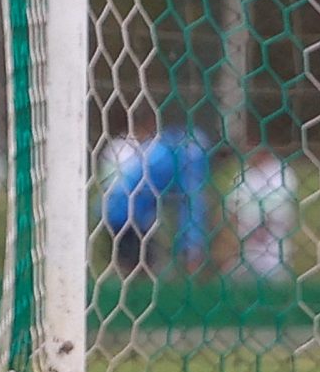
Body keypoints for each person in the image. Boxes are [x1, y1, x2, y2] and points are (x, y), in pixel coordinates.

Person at [101, 113, 209, 275]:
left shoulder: (166, 146)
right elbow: (192, 204)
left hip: (118, 208)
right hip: (127, 213)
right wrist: (192, 249)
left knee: (139, 264)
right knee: (139, 267)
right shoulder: (191, 155)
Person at [225, 148, 298, 281]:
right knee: (231, 281)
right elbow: (232, 209)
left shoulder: (281, 172)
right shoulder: (244, 173)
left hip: (274, 245)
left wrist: (262, 228)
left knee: (277, 286)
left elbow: (283, 210)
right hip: (246, 245)